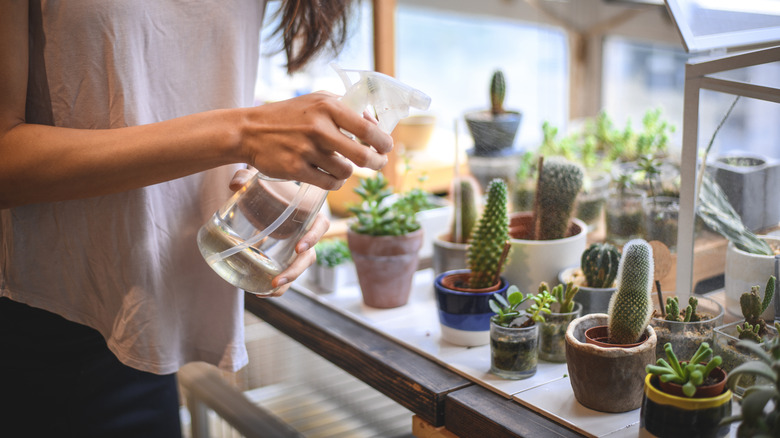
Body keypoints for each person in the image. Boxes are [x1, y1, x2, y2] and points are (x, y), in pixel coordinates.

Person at [0, 1, 392, 436]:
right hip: (32, 321)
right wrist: (246, 131)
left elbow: (173, 78)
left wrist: (279, 177)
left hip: (145, 324)